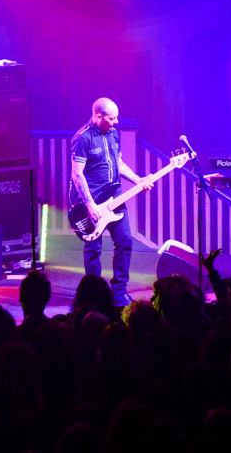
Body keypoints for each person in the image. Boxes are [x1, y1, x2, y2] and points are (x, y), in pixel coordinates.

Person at [69, 97, 152, 307]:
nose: (116, 122)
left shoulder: (114, 133)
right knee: (93, 250)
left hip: (115, 197)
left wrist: (138, 180)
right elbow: (77, 174)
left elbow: (119, 163)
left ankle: (119, 292)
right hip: (92, 201)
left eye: (117, 118)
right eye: (112, 118)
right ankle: (94, 298)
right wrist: (90, 205)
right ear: (98, 116)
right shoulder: (83, 138)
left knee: (125, 243)